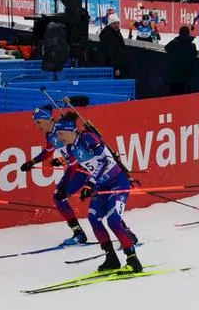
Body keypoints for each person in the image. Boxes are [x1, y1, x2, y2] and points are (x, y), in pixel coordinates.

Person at [52, 113, 143, 272]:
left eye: (60, 133)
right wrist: (60, 161)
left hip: (117, 182)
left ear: (70, 130)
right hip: (101, 186)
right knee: (94, 219)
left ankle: (133, 260)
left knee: (113, 221)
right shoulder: (71, 147)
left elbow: (105, 161)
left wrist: (90, 184)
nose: (59, 137)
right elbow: (79, 163)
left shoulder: (88, 138)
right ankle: (111, 258)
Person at [19, 105, 90, 246]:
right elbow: (49, 150)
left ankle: (124, 232)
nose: (37, 127)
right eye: (35, 123)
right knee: (59, 198)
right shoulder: (50, 134)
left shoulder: (61, 130)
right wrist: (32, 161)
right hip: (75, 168)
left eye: (39, 122)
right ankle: (79, 233)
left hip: (83, 168)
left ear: (48, 120)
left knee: (98, 198)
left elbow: (74, 161)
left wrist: (65, 182)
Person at [165, 25, 197, 95]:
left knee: (172, 94)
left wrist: (177, 39)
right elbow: (194, 54)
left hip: (173, 74)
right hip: (185, 75)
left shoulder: (174, 43)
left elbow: (166, 48)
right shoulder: (192, 46)